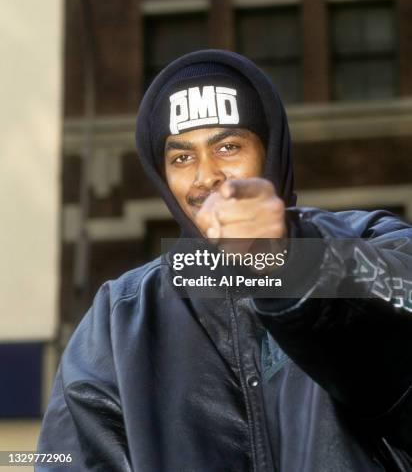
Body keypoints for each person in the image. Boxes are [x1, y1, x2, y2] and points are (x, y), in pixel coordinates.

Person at [37, 49, 412, 471]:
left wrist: (290, 259)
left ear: (270, 152)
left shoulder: (372, 239)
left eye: (228, 146)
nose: (205, 175)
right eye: (181, 157)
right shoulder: (118, 320)